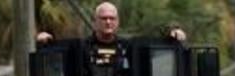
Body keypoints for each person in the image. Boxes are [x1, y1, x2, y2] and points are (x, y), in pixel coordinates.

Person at [35, 2, 186, 46]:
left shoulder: (128, 46)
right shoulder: (82, 47)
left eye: (112, 18)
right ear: (95, 22)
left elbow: (154, 34)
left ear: (117, 22)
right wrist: (46, 40)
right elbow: (59, 47)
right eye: (103, 18)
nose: (108, 22)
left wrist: (173, 32)